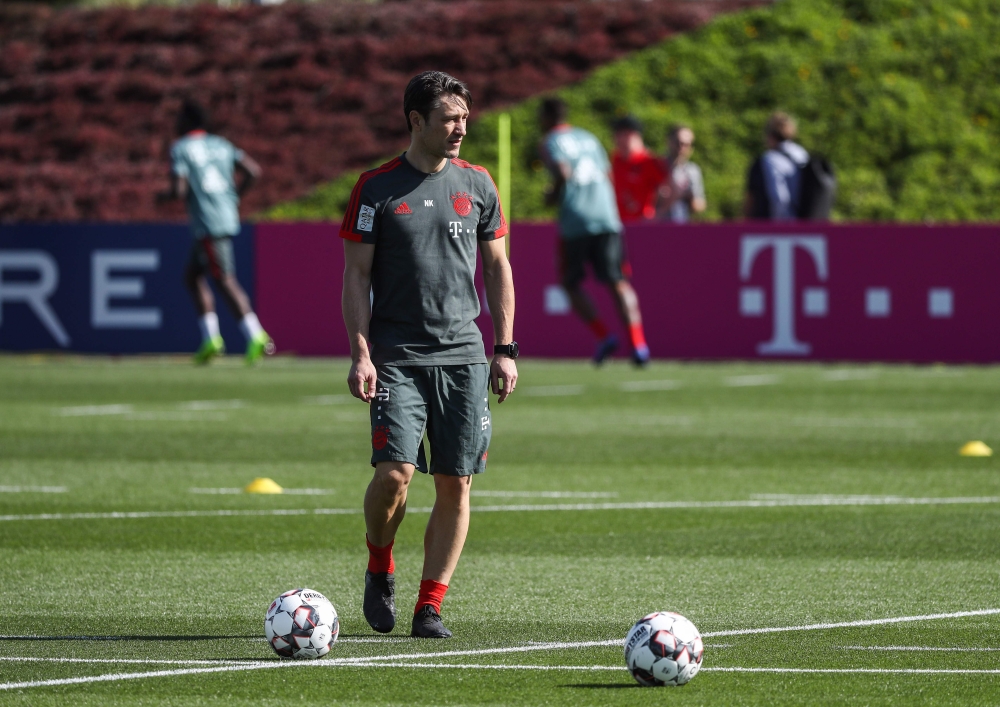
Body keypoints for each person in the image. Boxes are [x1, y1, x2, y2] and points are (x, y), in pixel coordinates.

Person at [341, 71, 517, 639]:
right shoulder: (375, 188)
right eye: (449, 117)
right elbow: (355, 277)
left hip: (464, 356)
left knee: (455, 482)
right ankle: (379, 562)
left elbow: (497, 268)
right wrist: (361, 354)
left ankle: (430, 606)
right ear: (416, 120)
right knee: (395, 474)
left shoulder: (479, 184)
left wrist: (504, 348)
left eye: (465, 117)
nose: (461, 127)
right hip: (395, 357)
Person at [538, 97, 649, 366]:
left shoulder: (550, 141)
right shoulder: (588, 137)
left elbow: (563, 172)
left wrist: (551, 196)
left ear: (546, 118)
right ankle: (639, 345)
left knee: (569, 283)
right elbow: (607, 174)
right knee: (618, 282)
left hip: (577, 220)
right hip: (607, 217)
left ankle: (604, 336)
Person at [162, 99, 272, 364]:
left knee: (224, 279)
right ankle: (211, 338)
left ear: (187, 122)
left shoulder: (181, 148)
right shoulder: (222, 144)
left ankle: (255, 334)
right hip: (224, 215)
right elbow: (253, 171)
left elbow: (178, 189)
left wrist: (162, 197)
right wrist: (234, 196)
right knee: (193, 276)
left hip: (207, 221)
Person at [744, 111, 809, 220]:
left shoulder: (766, 161)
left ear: (770, 135)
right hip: (805, 227)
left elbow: (779, 198)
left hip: (771, 228)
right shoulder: (803, 155)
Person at [610, 115, 666, 223]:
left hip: (642, 224)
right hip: (618, 222)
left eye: (623, 135)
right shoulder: (615, 159)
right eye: (616, 135)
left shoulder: (650, 161)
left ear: (635, 135)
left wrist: (658, 215)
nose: (618, 139)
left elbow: (666, 192)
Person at [658, 124, 706, 223]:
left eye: (687, 145)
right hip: (657, 225)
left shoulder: (692, 171)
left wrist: (686, 195)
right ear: (669, 141)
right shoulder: (656, 167)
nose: (682, 148)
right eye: (678, 143)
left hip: (682, 226)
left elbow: (700, 205)